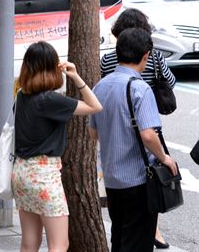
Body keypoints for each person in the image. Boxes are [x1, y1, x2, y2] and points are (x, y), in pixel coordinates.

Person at [90, 28, 178, 252]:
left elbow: (93, 133)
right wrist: (165, 158)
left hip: (112, 179)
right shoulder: (139, 88)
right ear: (146, 56)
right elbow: (148, 135)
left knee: (119, 238)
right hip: (138, 180)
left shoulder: (99, 87)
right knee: (137, 242)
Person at [12, 41, 103, 252]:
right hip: (44, 175)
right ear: (53, 67)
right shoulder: (50, 100)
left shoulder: (22, 96)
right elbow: (95, 106)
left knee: (29, 242)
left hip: (21, 173)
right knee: (59, 244)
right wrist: (76, 77)